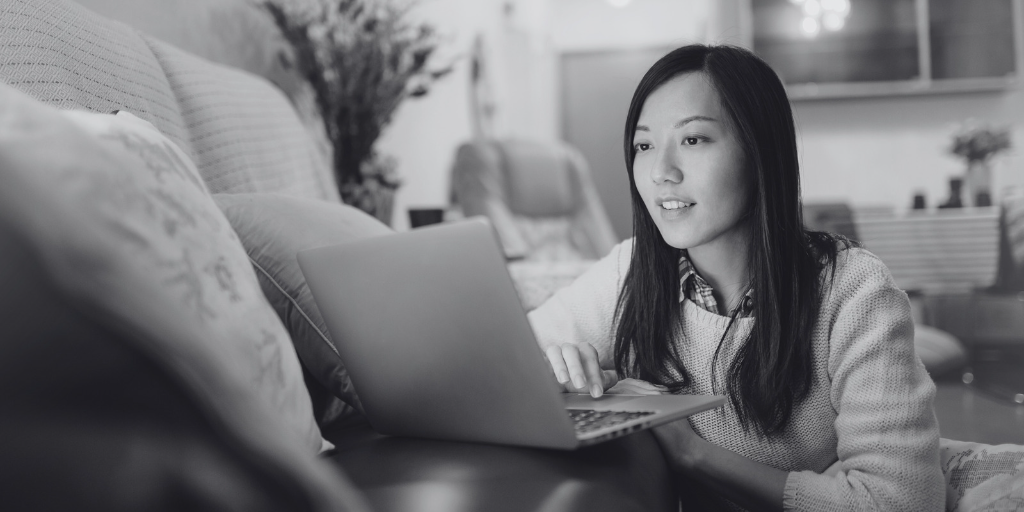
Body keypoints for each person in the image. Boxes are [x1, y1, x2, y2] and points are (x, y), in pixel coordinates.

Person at [527, 44, 943, 511]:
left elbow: (900, 502)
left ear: (759, 148)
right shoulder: (632, 270)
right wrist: (552, 375)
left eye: (693, 140)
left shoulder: (853, 290)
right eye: (644, 146)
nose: (661, 172)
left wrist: (693, 453)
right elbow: (497, 365)